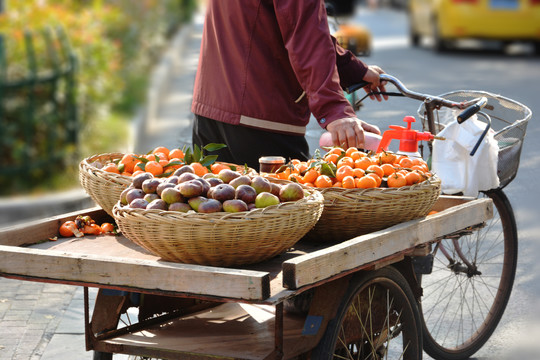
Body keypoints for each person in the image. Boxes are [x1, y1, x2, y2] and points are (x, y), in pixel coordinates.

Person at [191, 0, 387, 170]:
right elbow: (306, 34)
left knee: (220, 205)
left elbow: (283, 22)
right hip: (261, 117)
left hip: (211, 108)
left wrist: (353, 69)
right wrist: (335, 109)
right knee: (287, 208)